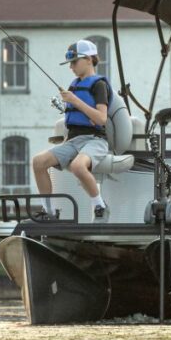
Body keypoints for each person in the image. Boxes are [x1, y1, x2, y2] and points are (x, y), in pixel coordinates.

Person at [32, 39, 112, 218]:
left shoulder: (99, 85)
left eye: (74, 62)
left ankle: (99, 205)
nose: (71, 67)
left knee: (78, 166)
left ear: (89, 59)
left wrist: (74, 100)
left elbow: (101, 118)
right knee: (38, 162)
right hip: (73, 141)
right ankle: (48, 211)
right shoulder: (74, 85)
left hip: (95, 140)